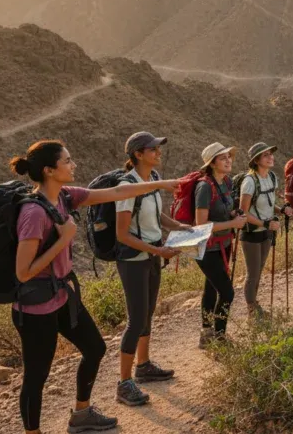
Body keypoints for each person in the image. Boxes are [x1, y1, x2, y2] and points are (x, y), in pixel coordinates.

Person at [9, 139, 181, 434]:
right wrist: (64, 239)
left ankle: (82, 413)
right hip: (36, 304)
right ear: (49, 170)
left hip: (61, 294)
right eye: (67, 161)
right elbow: (23, 272)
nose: (73, 164)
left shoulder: (65, 196)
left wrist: (161, 184)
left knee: (95, 348)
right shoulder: (33, 214)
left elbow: (117, 193)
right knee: (37, 375)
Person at [113, 132, 192, 407]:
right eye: (153, 149)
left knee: (147, 313)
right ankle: (123, 384)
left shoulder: (152, 179)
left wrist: (178, 226)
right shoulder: (127, 186)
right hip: (134, 260)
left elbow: (156, 214)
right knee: (135, 320)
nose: (159, 153)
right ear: (138, 154)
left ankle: (143, 365)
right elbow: (122, 234)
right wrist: (158, 251)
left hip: (152, 255)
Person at [193, 142, 247, 345]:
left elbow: (224, 209)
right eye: (223, 158)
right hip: (207, 247)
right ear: (212, 163)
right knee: (227, 292)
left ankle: (206, 333)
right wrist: (232, 223)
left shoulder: (226, 182)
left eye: (229, 157)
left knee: (211, 287)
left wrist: (233, 214)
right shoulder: (204, 187)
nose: (228, 160)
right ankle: (220, 337)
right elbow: (201, 224)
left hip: (223, 244)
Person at [239, 142, 293, 318]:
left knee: (259, 269)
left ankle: (255, 307)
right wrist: (265, 223)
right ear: (256, 160)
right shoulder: (249, 182)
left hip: (267, 231)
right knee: (253, 273)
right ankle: (252, 311)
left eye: (271, 154)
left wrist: (281, 210)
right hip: (252, 233)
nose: (271, 157)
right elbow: (243, 213)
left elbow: (269, 205)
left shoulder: (271, 177)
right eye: (266, 155)